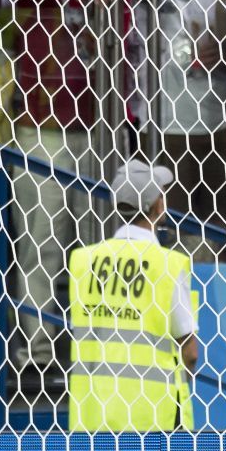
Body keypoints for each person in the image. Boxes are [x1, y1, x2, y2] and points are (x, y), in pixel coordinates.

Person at [66, 160, 199, 431]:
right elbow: (190, 351)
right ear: (158, 206)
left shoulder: (83, 260)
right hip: (152, 419)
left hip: (90, 416)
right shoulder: (168, 264)